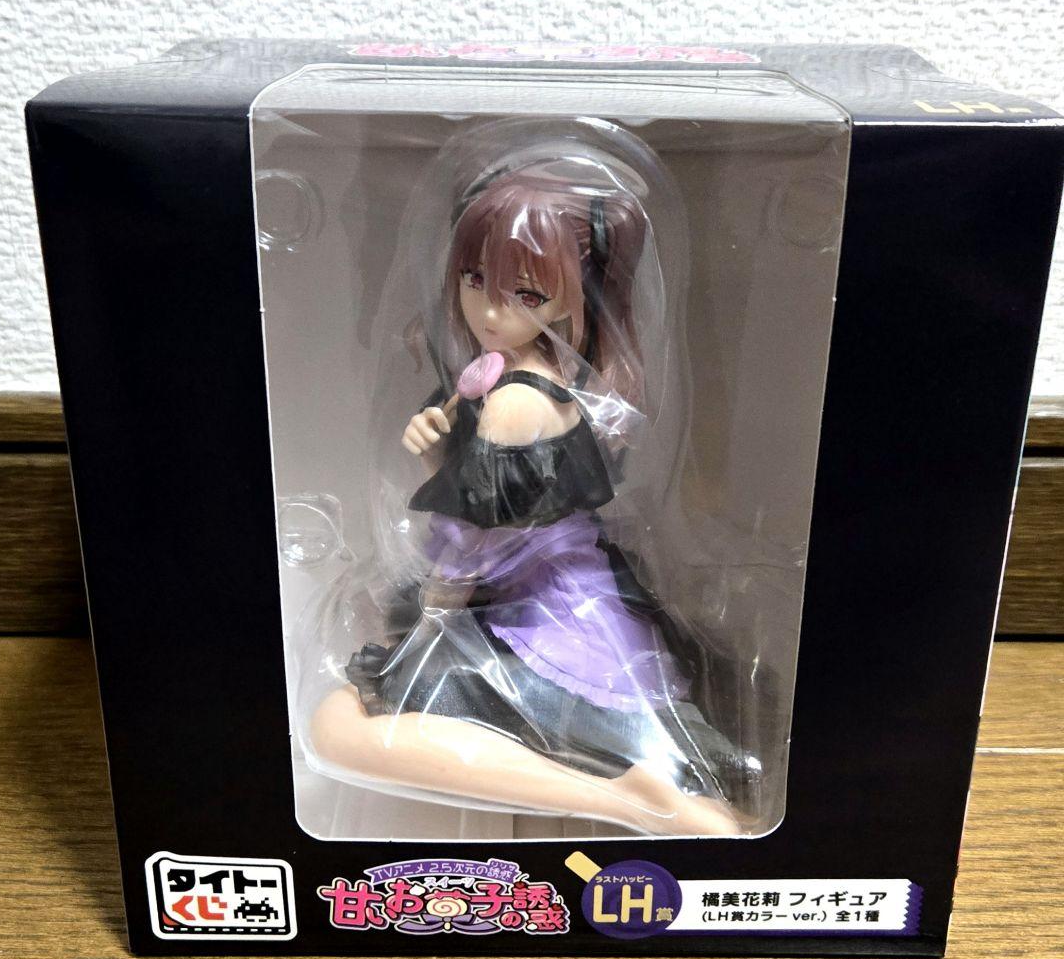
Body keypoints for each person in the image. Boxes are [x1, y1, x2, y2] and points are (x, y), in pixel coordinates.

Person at [309, 161, 754, 836]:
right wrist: (438, 455)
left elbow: (476, 537)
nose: (490, 312)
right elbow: (504, 501)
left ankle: (630, 799)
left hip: (540, 624)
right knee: (360, 710)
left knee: (338, 729)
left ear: (575, 297)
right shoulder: (524, 378)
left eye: (525, 293)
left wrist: (435, 613)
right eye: (474, 279)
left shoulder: (515, 401)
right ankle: (639, 792)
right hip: (550, 600)